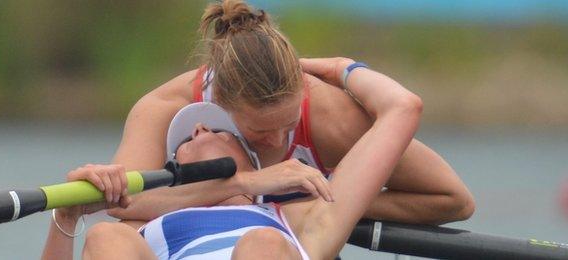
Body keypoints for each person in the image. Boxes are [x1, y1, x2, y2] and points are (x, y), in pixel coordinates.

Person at [110, 0, 474, 225]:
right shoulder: (162, 110)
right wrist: (247, 185)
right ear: (218, 102)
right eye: (259, 130)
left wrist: (324, 204)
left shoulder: (329, 117)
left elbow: (452, 200)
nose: (278, 139)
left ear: (302, 90)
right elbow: (123, 205)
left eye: (288, 124)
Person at [43, 91, 423, 259]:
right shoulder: (140, 225)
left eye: (221, 131)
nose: (200, 131)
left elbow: (402, 109)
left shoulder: (298, 215)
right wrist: (67, 216)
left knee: (262, 247)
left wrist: (340, 67)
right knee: (106, 236)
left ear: (255, 161)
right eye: (183, 143)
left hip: (265, 249)